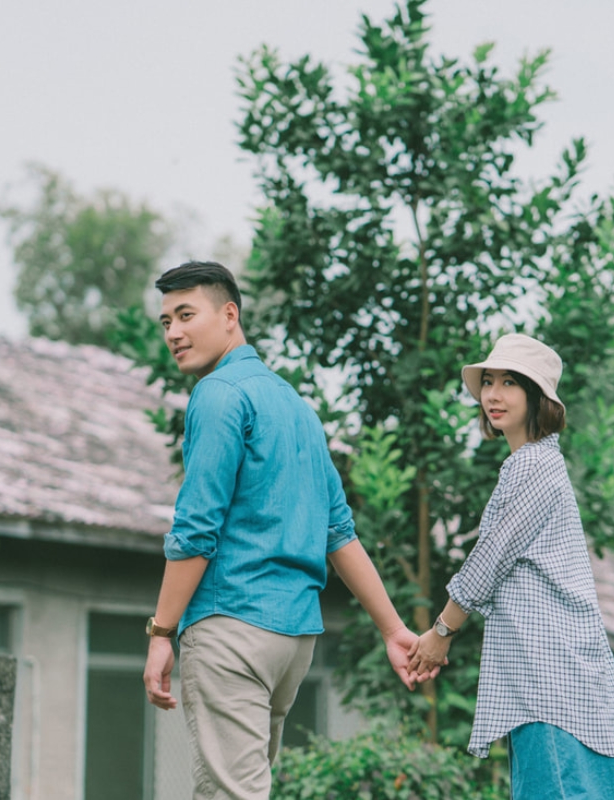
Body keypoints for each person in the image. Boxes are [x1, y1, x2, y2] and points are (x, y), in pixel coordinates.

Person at [141, 261, 427, 800]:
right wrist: (392, 630)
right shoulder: (297, 408)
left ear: (230, 315)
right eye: (165, 322)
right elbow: (339, 533)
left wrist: (161, 634)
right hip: (293, 639)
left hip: (232, 624)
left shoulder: (218, 394)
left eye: (185, 315)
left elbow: (196, 530)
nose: (173, 333)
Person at [408, 333, 614, 799]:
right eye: (489, 382)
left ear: (539, 398)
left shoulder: (535, 467)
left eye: (510, 383)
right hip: (547, 679)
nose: (493, 395)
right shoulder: (527, 465)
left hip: (550, 679)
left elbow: (489, 560)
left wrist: (440, 632)